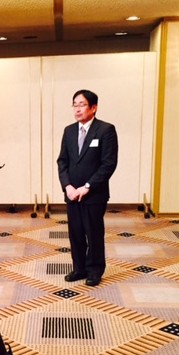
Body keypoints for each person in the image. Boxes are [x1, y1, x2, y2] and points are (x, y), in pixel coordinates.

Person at [57, 89, 118, 286]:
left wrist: (88, 186)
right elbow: (62, 161)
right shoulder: (69, 131)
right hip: (72, 194)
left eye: (82, 105)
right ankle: (79, 268)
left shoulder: (106, 130)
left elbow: (108, 163)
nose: (77, 109)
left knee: (93, 234)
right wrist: (67, 186)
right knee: (75, 233)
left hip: (94, 194)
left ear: (93, 107)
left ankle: (94, 270)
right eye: (75, 105)